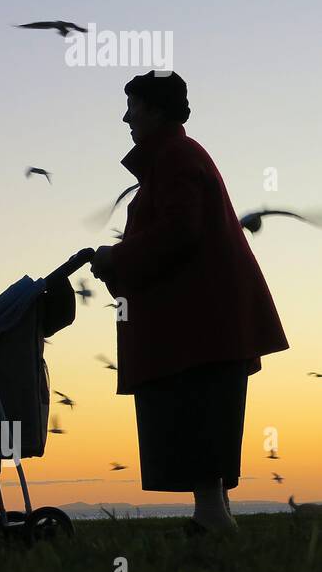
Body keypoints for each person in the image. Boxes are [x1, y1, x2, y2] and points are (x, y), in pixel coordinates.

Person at [89, 71, 288, 533]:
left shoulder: (176, 158)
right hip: (204, 318)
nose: (126, 118)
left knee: (195, 410)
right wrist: (118, 261)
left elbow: (180, 232)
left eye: (133, 107)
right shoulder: (175, 158)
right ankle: (214, 515)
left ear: (156, 111)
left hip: (198, 322)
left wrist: (116, 257)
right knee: (202, 411)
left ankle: (212, 518)